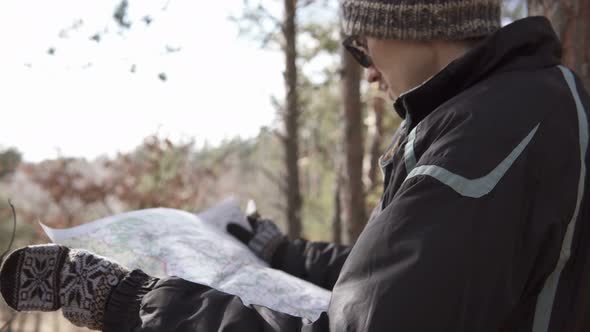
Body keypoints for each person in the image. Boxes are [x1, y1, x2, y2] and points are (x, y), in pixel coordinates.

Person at [1, 0, 589, 331]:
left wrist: (126, 298)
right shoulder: (512, 109)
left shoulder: (489, 139)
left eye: (359, 44)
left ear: (413, 25)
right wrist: (279, 252)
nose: (367, 72)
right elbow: (406, 274)